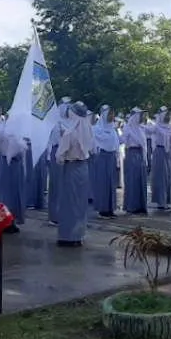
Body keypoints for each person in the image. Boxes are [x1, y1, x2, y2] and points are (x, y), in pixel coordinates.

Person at [55, 101, 94, 247]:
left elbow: (59, 156)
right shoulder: (88, 129)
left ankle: (67, 236)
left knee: (69, 202)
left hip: (71, 168)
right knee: (80, 203)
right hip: (84, 168)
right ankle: (78, 235)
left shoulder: (69, 132)